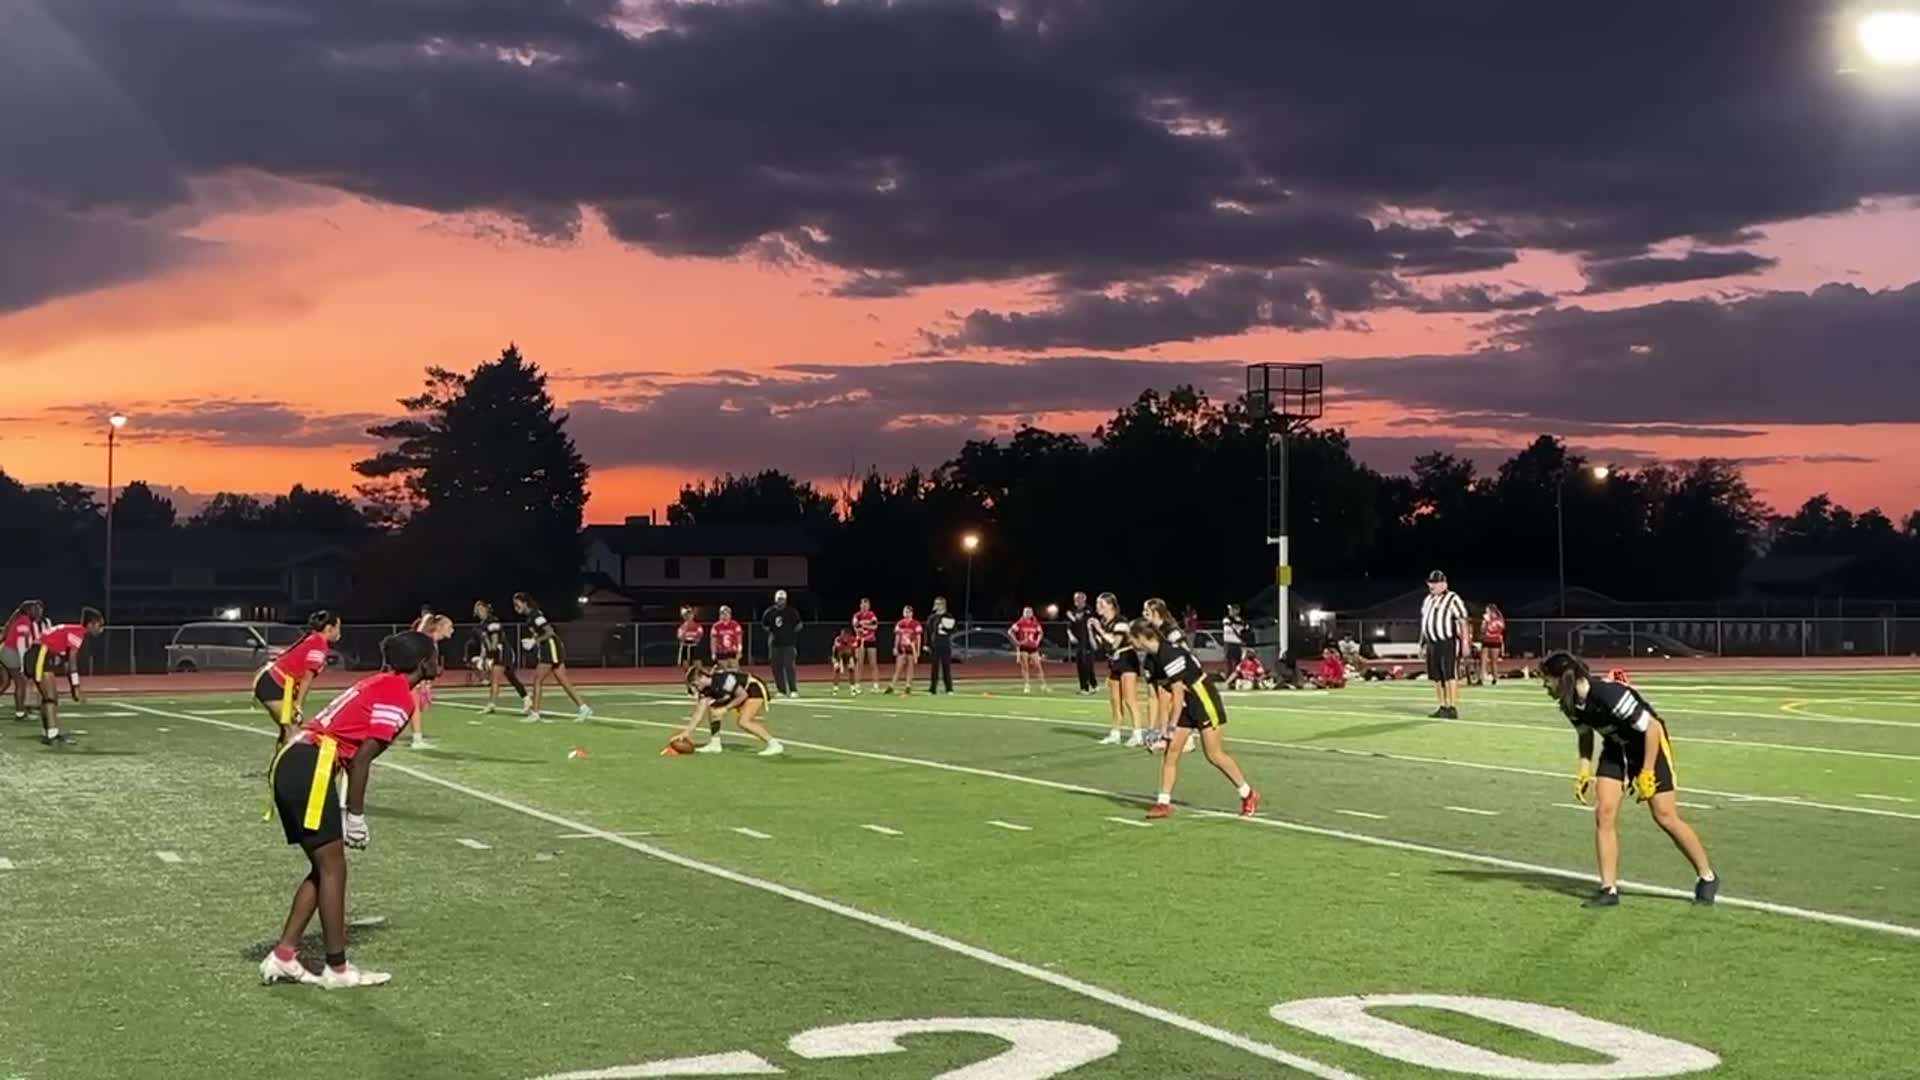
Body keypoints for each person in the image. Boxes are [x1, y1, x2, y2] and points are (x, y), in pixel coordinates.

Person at [259, 630, 434, 989]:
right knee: (334, 868)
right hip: (311, 765)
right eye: (435, 655)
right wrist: (356, 815)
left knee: (324, 867)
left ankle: (284, 955)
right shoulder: (399, 694)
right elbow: (362, 760)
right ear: (423, 663)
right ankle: (336, 969)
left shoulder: (383, 682)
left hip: (299, 759)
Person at [1540, 652, 1719, 908]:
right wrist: (1584, 768)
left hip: (1649, 747)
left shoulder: (1608, 694)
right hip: (1615, 749)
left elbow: (1653, 728)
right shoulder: (1570, 703)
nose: (1545, 686)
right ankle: (1608, 889)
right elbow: (1585, 735)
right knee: (1604, 813)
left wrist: (1646, 772)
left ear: (1563, 678)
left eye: (1547, 679)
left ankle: (1707, 876)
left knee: (1665, 816)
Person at [1130, 621, 1259, 820]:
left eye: (1132, 638)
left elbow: (1178, 692)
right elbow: (1163, 695)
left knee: (1214, 755)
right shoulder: (1151, 660)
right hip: (1186, 703)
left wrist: (1171, 727)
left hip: (1203, 699)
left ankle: (1248, 793)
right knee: (1171, 753)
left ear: (1141, 637)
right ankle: (1163, 802)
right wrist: (1161, 730)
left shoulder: (1170, 654)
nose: (1130, 642)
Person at [252, 611, 341, 748]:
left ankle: (278, 767)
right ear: (329, 628)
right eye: (338, 627)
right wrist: (299, 706)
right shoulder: (319, 644)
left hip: (276, 683)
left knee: (288, 729)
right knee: (293, 730)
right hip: (274, 685)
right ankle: (286, 767)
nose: (339, 632)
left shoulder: (313, 638)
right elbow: (307, 678)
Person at [22, 607, 102, 745]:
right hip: (40, 654)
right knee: (49, 698)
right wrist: (76, 687)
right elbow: (72, 663)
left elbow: (66, 663)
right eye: (99, 625)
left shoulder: (72, 629)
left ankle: (52, 731)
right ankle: (51, 735)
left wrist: (73, 686)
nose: (101, 629)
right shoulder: (78, 633)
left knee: (51, 698)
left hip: (41, 654)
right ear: (90, 624)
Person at [669, 662, 783, 756]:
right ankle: (715, 743)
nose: (694, 688)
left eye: (694, 684)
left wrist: (725, 709)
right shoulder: (705, 689)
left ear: (702, 677)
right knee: (713, 709)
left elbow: (742, 695)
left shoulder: (723, 679)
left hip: (752, 688)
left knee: (744, 721)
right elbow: (699, 712)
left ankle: (774, 744)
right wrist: (686, 733)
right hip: (738, 693)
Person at [513, 592, 591, 721]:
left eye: (517, 603)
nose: (515, 607)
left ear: (525, 603)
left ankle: (535, 713)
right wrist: (532, 639)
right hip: (550, 647)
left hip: (551, 648)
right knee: (563, 680)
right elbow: (540, 632)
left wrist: (534, 641)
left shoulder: (536, 615)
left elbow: (550, 632)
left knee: (537, 680)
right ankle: (584, 707)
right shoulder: (531, 617)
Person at [1090, 593, 1145, 748]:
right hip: (1114, 662)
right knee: (1115, 700)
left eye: (1101, 604)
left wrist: (1099, 629)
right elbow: (1099, 647)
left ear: (1111, 605)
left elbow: (1115, 643)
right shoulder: (1103, 622)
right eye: (1097, 604)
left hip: (1127, 659)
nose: (1098, 607)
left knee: (1129, 699)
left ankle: (1138, 733)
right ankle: (1115, 733)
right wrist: (1091, 631)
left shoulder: (1121, 621)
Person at [1419, 570, 1468, 719]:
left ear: (1443, 584)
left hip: (1447, 641)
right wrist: (1421, 643)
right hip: (1431, 642)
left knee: (1449, 674)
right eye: (1430, 583)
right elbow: (1424, 622)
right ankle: (1442, 706)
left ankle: (1452, 707)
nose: (1431, 586)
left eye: (1434, 583)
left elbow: (1462, 620)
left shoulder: (1453, 598)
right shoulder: (1427, 599)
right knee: (1436, 676)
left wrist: (1465, 642)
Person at [472, 600, 529, 714]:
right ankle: (527, 700)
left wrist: (491, 655)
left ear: (487, 609)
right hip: (497, 653)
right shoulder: (481, 626)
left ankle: (491, 704)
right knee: (512, 678)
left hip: (501, 652)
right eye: (479, 610)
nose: (481, 612)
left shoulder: (493, 621)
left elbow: (495, 639)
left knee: (495, 678)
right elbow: (484, 644)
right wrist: (483, 657)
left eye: (482, 609)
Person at [761, 590, 802, 698]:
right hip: (775, 644)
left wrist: (789, 633)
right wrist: (774, 633)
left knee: (789, 667)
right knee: (776, 667)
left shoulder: (791, 612)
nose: (781, 601)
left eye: (782, 599)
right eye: (779, 599)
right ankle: (781, 690)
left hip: (788, 644)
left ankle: (793, 690)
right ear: (775, 599)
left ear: (786, 600)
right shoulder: (769, 612)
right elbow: (764, 625)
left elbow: (799, 625)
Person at [2, 600, 38, 721]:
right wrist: (22, 665)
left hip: (5, 651)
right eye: (34, 609)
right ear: (28, 611)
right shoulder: (24, 621)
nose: (36, 612)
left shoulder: (21, 619)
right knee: (21, 683)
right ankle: (20, 713)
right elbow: (21, 643)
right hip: (11, 652)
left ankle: (20, 712)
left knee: (5, 683)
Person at [1065, 592, 1098, 695]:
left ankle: (1091, 685)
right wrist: (1070, 635)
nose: (1076, 600)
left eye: (1079, 598)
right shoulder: (1073, 611)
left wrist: (1072, 617)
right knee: (1080, 664)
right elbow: (1069, 627)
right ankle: (1085, 687)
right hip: (1079, 642)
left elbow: (1083, 621)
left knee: (1087, 664)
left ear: (1084, 599)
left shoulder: (1089, 610)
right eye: (1075, 598)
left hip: (1088, 641)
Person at [1010, 605, 1048, 694]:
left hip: (1033, 647)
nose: (1028, 614)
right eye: (1026, 612)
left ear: (1032, 613)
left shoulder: (1035, 623)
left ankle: (1043, 685)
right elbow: (1010, 631)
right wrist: (1017, 642)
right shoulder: (1020, 623)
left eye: (1029, 612)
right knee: (1025, 667)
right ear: (1023, 613)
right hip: (1024, 647)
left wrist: (1037, 641)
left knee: (1038, 666)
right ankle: (1027, 685)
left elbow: (1040, 633)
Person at [887, 604, 922, 694]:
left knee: (910, 667)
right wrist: (895, 647)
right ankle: (892, 685)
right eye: (905, 612)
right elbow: (897, 637)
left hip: (911, 648)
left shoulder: (916, 624)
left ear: (912, 613)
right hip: (901, 648)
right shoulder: (900, 623)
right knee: (898, 667)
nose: (906, 614)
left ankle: (908, 685)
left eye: (908, 612)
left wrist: (917, 651)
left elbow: (918, 638)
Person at [925, 597, 956, 694]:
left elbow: (953, 630)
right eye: (936, 603)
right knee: (934, 667)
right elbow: (928, 632)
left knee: (946, 666)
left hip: (945, 645)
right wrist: (927, 644)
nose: (937, 605)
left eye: (939, 603)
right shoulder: (932, 617)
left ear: (943, 605)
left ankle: (949, 688)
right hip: (935, 645)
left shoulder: (948, 616)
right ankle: (932, 688)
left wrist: (946, 628)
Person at [852, 598, 880, 694]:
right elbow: (856, 627)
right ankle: (857, 685)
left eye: (866, 605)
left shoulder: (872, 615)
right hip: (860, 641)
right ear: (860, 605)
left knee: (873, 663)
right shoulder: (857, 615)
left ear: (869, 606)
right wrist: (864, 627)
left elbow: (875, 626)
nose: (864, 607)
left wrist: (864, 626)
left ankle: (876, 685)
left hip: (871, 640)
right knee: (859, 664)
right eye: (863, 605)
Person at [1480, 602, 1506, 686]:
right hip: (1486, 641)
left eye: (1487, 611)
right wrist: (1484, 623)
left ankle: (1495, 678)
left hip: (1495, 641)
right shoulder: (1486, 619)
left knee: (1493, 661)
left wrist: (1489, 622)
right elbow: (1482, 630)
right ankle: (1481, 678)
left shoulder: (1499, 619)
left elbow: (1500, 629)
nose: (1486, 612)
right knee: (1483, 660)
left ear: (1492, 611)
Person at [710, 605, 743, 671]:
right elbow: (713, 641)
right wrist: (713, 653)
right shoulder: (716, 626)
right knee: (723, 671)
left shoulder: (735, 625)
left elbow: (739, 640)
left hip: (732, 651)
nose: (725, 615)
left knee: (734, 670)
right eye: (723, 613)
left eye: (727, 613)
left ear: (730, 614)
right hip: (721, 651)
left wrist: (739, 651)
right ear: (720, 615)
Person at [829, 626, 859, 695]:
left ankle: (853, 688)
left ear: (849, 635)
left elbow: (852, 650)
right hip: (838, 656)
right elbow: (837, 649)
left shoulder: (853, 639)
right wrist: (835, 660)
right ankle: (835, 688)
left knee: (851, 670)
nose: (843, 636)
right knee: (837, 670)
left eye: (845, 634)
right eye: (842, 634)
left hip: (850, 656)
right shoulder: (838, 639)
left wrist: (853, 659)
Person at [1220, 604, 1249, 670]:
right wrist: (1242, 625)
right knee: (1228, 662)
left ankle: (1237, 676)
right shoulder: (1226, 619)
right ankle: (1229, 677)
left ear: (1237, 611)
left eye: (1232, 610)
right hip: (1228, 642)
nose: (1230, 611)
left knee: (1238, 662)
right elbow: (1229, 623)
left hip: (1237, 643)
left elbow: (1245, 630)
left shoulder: (1241, 620)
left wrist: (1244, 626)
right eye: (1230, 610)